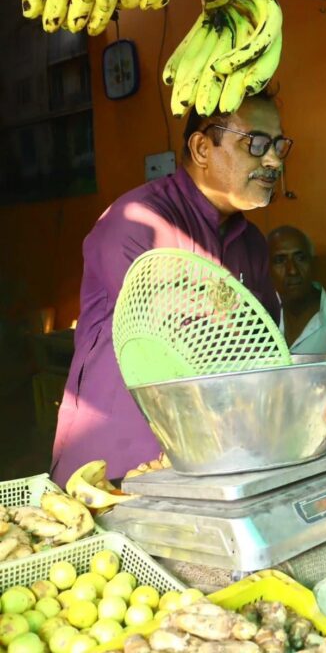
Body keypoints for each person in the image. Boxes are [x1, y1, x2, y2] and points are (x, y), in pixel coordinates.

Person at [51, 92, 292, 485]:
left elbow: (262, 351)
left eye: (279, 145)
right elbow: (187, 348)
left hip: (204, 463)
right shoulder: (137, 222)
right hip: (110, 467)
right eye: (257, 144)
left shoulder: (251, 244)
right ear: (201, 147)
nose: (274, 161)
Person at [267, 225, 326, 353]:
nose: (292, 270)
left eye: (300, 258)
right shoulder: (258, 316)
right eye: (280, 260)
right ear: (266, 269)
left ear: (313, 263)